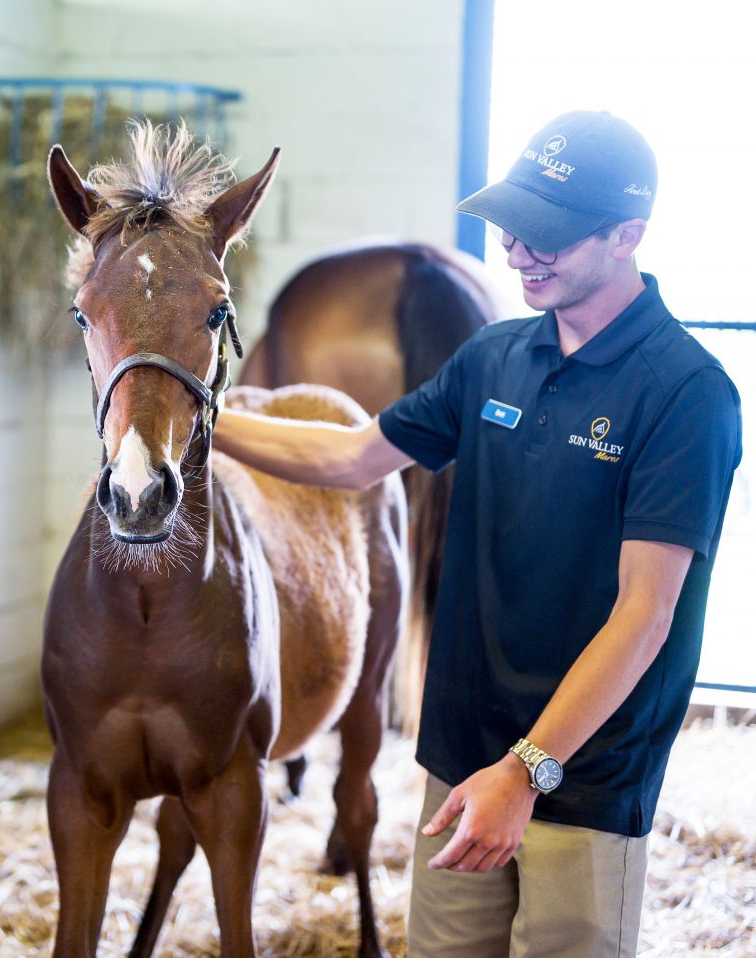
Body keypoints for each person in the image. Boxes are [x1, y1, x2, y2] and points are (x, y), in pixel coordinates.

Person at [213, 110, 742, 957]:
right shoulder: (492, 358)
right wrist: (201, 422)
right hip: (463, 757)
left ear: (626, 235)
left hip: (583, 774)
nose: (518, 254)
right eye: (510, 229)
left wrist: (527, 771)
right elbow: (354, 457)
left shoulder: (687, 393)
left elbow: (645, 617)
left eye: (549, 238)